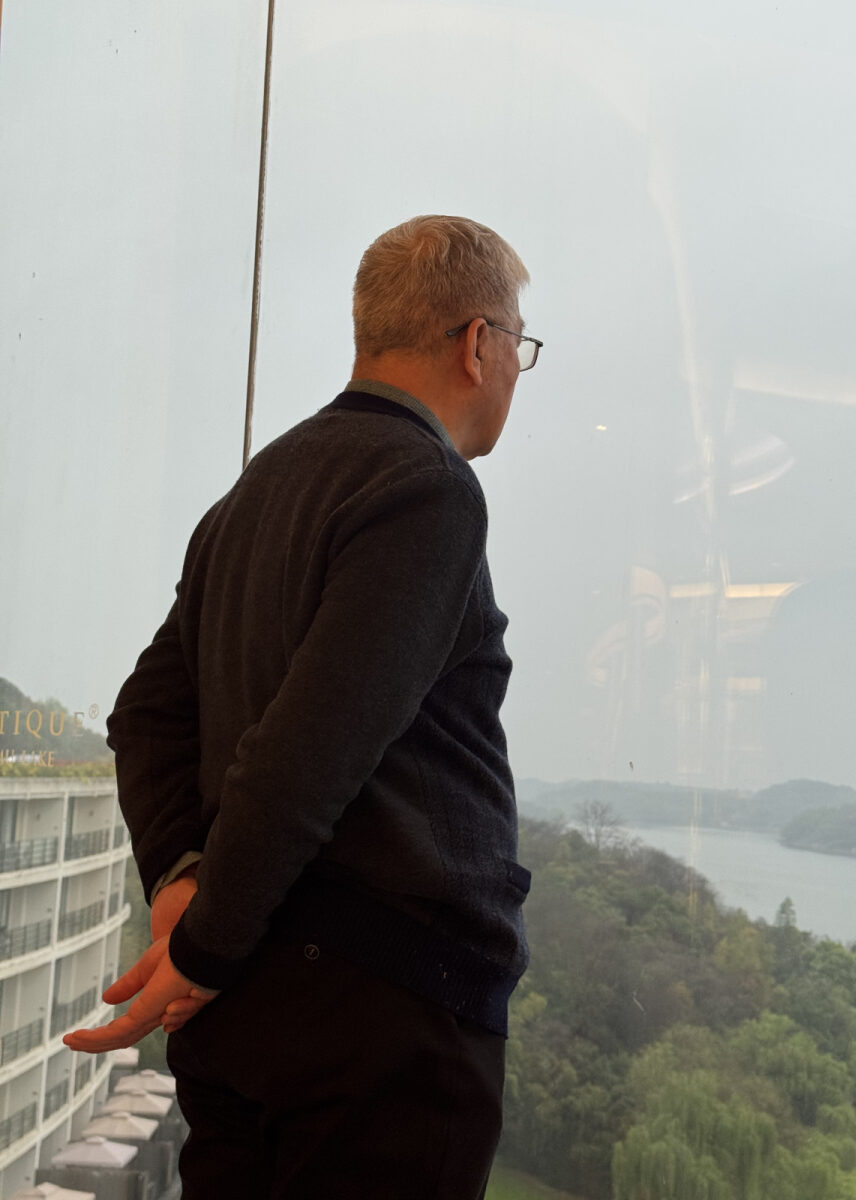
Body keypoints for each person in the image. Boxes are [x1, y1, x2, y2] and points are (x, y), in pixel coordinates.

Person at [64, 214, 541, 1199]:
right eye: (520, 345)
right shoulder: (429, 489)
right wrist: (200, 940)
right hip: (383, 1022)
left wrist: (181, 881)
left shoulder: (256, 490)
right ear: (477, 341)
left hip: (248, 1018)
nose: (514, 370)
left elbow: (147, 713)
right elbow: (312, 747)